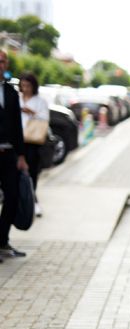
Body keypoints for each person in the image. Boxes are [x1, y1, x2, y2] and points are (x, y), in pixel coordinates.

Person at [0, 50, 29, 261]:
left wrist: (21, 156)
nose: (0, 64)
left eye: (2, 61)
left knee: (12, 197)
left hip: (9, 154)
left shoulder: (11, 92)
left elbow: (18, 126)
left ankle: (2, 241)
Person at [19, 72, 49, 217]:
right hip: (17, 140)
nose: (25, 89)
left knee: (32, 172)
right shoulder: (17, 99)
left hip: (32, 141)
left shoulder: (40, 101)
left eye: (28, 86)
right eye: (23, 85)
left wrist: (32, 112)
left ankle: (33, 200)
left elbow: (45, 119)